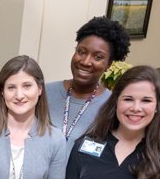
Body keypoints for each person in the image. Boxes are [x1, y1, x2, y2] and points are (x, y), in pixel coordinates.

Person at [46, 17, 131, 148]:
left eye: (98, 57)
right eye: (81, 51)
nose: (85, 62)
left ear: (108, 64)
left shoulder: (112, 106)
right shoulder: (44, 93)